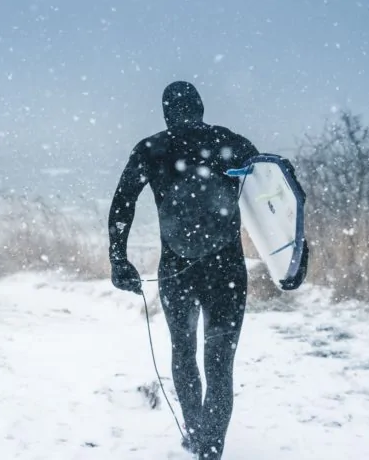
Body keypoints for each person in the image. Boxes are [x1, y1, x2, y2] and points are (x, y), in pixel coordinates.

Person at [107, 81, 264, 459]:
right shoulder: (232, 143)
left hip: (177, 268)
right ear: (202, 108)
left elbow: (122, 204)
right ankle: (211, 449)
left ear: (165, 112)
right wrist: (293, 252)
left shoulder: (151, 149)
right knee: (220, 362)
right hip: (226, 268)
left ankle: (195, 436)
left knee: (183, 352)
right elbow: (272, 193)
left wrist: (118, 259)